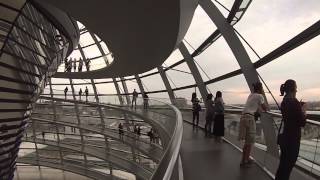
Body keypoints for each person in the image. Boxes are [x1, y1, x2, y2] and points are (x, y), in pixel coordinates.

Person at [275, 80, 306, 180]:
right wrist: (303, 111)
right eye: (296, 88)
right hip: (292, 139)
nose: (297, 90)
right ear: (293, 89)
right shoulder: (294, 102)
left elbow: (290, 115)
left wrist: (298, 107)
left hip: (285, 137)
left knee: (283, 164)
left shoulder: (285, 100)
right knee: (288, 165)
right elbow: (302, 122)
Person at [238, 82, 267, 167]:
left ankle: (245, 159)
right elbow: (265, 108)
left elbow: (254, 106)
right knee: (250, 142)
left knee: (247, 142)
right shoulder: (260, 96)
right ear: (260, 88)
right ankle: (244, 161)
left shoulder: (251, 95)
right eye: (262, 88)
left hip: (243, 117)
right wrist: (265, 109)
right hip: (250, 118)